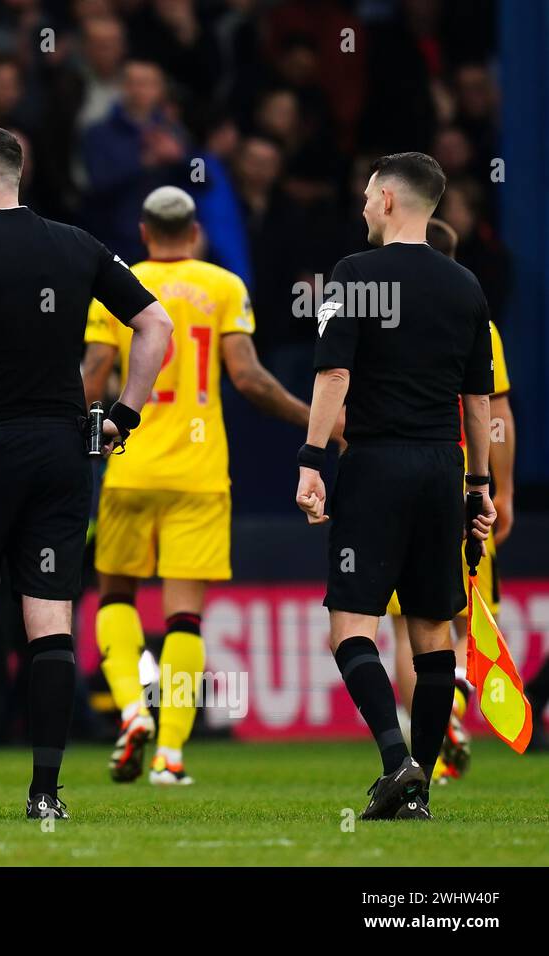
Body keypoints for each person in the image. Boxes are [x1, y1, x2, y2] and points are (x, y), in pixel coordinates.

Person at [0, 126, 173, 820]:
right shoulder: (78, 244)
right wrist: (123, 418)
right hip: (62, 451)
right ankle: (46, 795)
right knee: (49, 619)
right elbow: (156, 325)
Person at [81, 186, 321, 785]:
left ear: (143, 230)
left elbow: (92, 377)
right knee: (184, 619)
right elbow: (250, 379)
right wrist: (316, 421)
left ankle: (132, 710)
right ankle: (171, 756)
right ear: (194, 232)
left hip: (129, 467)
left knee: (115, 599)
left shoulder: (116, 281)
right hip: (199, 474)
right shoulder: (223, 286)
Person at [296, 152, 495, 822]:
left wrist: (311, 460)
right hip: (442, 467)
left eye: (364, 197)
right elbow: (478, 403)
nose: (360, 207)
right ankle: (421, 792)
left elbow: (332, 379)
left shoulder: (353, 276)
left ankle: (395, 760)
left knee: (351, 626)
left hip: (377, 465)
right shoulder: (466, 286)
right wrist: (479, 485)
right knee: (433, 630)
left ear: (385, 199)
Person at [386, 217, 516, 783]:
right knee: (458, 626)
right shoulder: (478, 322)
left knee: (404, 631)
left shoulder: (377, 314)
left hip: (393, 481)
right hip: (460, 483)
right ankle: (454, 713)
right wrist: (500, 488)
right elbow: (496, 415)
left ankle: (431, 746)